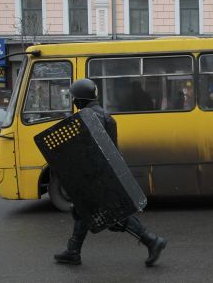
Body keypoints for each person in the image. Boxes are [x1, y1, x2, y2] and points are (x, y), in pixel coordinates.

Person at [54, 78, 168, 266]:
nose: (73, 102)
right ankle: (73, 251)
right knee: (86, 210)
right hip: (104, 173)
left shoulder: (89, 117)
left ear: (80, 99)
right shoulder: (104, 116)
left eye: (74, 98)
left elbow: (87, 151)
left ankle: (152, 240)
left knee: (113, 214)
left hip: (95, 176)